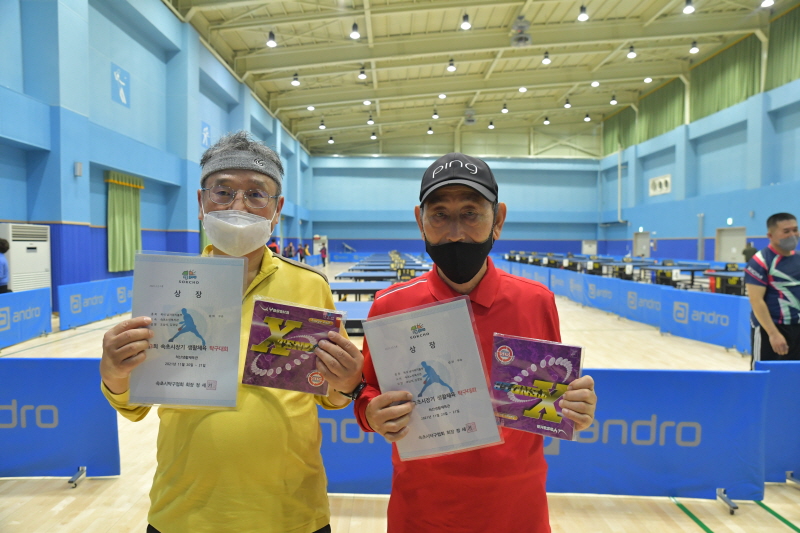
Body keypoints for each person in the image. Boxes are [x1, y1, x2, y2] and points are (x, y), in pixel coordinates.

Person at [99, 131, 365, 533]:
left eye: (256, 194)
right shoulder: (167, 286)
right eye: (223, 192)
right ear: (201, 202)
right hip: (184, 513)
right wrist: (114, 372)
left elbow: (330, 397)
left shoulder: (311, 286)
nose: (238, 206)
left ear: (277, 209)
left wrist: (346, 383)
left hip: (291, 514)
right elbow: (132, 407)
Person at [352, 153, 597, 532]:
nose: (455, 233)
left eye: (470, 214)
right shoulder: (390, 306)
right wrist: (370, 413)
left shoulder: (536, 302)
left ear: (497, 220)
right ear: (420, 221)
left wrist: (575, 407)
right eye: (440, 215)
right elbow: (367, 392)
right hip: (423, 512)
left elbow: (551, 398)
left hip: (517, 512)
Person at [745, 212, 800, 367]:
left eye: (795, 230)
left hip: (797, 327)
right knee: (764, 375)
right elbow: (756, 301)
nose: (793, 235)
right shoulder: (760, 262)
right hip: (770, 329)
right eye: (786, 231)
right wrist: (773, 334)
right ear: (770, 235)